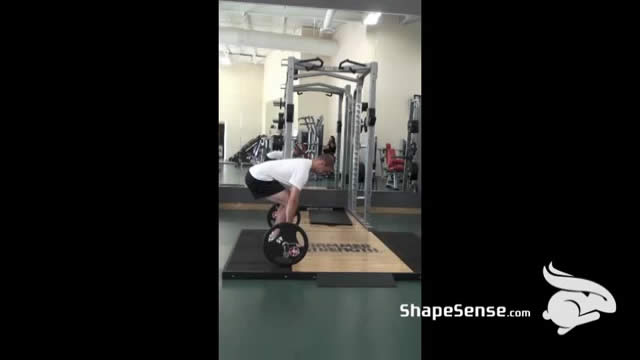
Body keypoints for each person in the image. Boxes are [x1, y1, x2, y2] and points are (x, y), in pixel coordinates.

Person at [245, 154, 335, 238]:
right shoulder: (303, 170)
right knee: (288, 201)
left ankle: (275, 233)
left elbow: (292, 196)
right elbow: (293, 200)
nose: (323, 173)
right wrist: (290, 225)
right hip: (257, 178)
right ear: (321, 163)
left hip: (256, 174)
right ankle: (274, 235)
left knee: (286, 200)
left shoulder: (304, 163)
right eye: (325, 170)